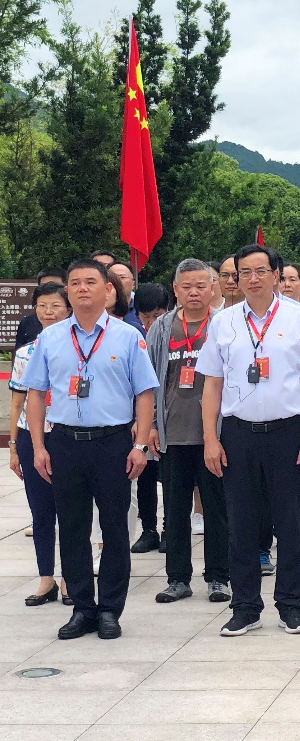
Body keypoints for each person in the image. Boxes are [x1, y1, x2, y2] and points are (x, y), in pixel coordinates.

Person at [20, 259, 159, 640]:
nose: (82, 288)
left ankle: (110, 609)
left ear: (107, 290)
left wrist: (139, 445)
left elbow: (144, 393)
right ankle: (82, 607)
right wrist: (38, 446)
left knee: (114, 528)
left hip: (112, 443)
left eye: (90, 282)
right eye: (75, 283)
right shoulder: (50, 338)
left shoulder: (127, 336)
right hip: (64, 442)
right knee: (72, 528)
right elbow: (35, 394)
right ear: (67, 290)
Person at [197, 244, 300, 637]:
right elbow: (211, 386)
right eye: (244, 272)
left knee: (289, 523)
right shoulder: (223, 322)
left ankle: (291, 606)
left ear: (275, 275)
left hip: (288, 433)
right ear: (236, 278)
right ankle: (245, 607)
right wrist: (210, 439)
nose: (252, 279)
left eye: (260, 271)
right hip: (238, 434)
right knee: (241, 524)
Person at [145, 259, 232, 604]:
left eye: (201, 285)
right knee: (175, 510)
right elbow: (148, 380)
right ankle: (178, 578)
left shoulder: (224, 325)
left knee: (217, 509)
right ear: (176, 289)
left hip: (215, 436)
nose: (194, 292)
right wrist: (151, 425)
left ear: (213, 288)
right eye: (187, 286)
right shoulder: (162, 328)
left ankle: (219, 577)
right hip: (173, 434)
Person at [9, 282, 71, 606]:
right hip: (32, 436)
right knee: (41, 511)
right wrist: (14, 446)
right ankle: (46, 578)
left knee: (71, 510)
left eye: (55, 306)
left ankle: (70, 579)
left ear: (68, 309)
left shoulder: (78, 349)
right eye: (42, 306)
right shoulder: (26, 353)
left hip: (67, 436)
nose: (49, 312)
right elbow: (17, 402)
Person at [128, 283, 170, 556]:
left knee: (170, 478)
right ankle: (149, 529)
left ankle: (170, 529)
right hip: (141, 419)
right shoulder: (132, 337)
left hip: (168, 417)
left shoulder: (174, 333)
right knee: (144, 477)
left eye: (157, 315)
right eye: (146, 317)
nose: (151, 322)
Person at [14, 267, 68, 349]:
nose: (48, 312)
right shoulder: (28, 322)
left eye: (55, 286)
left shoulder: (78, 323)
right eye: (44, 286)